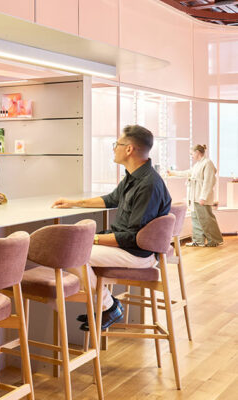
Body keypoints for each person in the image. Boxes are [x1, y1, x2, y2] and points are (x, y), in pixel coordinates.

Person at [52, 125, 171, 331]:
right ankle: (106, 304)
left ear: (129, 149)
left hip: (137, 253)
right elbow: (111, 199)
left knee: (73, 254)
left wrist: (92, 239)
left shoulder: (148, 184)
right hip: (128, 246)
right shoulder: (135, 176)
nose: (114, 148)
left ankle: (109, 306)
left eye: (116, 144)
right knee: (73, 250)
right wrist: (74, 203)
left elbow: (132, 237)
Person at [168, 144, 223, 247]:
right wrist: (173, 173)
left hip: (201, 197)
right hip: (194, 197)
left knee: (206, 219)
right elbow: (188, 173)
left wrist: (203, 197)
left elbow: (208, 182)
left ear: (197, 152)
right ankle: (198, 241)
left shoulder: (208, 163)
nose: (191, 156)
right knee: (195, 219)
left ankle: (215, 240)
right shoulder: (198, 164)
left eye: (192, 153)